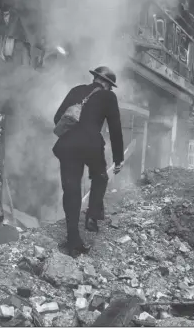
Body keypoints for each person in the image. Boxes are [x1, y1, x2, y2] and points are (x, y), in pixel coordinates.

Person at [53, 66, 124, 257]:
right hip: (91, 146)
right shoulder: (109, 97)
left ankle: (73, 240)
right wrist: (118, 159)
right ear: (108, 85)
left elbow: (57, 118)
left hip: (67, 146)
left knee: (72, 190)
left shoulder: (76, 90)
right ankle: (92, 215)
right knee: (100, 177)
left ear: (95, 79)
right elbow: (115, 128)